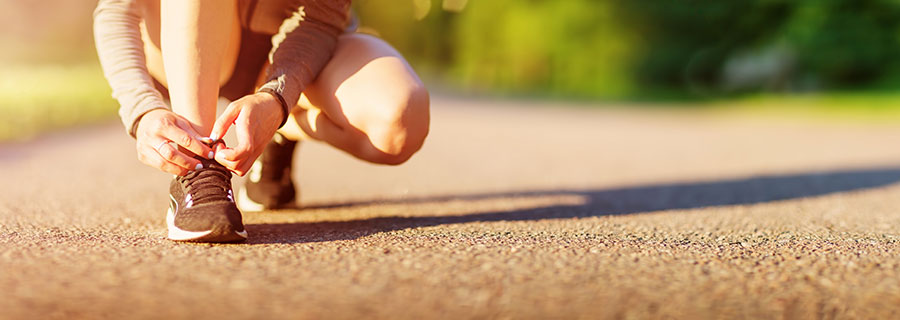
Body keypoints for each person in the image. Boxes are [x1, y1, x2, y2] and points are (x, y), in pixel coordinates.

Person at [93, 0, 430, 243]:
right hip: (180, 39)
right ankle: (199, 168)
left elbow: (323, 16)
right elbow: (115, 12)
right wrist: (141, 109)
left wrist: (277, 99)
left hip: (295, 47)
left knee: (399, 122)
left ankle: (277, 131)